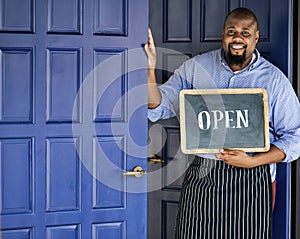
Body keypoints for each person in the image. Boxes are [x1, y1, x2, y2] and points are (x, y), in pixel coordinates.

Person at [144, 7, 300, 239]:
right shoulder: (196, 67)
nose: (238, 38)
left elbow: (295, 139)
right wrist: (149, 70)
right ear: (223, 35)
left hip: (253, 179)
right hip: (203, 176)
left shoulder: (274, 80)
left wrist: (252, 161)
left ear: (256, 37)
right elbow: (158, 106)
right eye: (232, 31)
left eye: (245, 33)